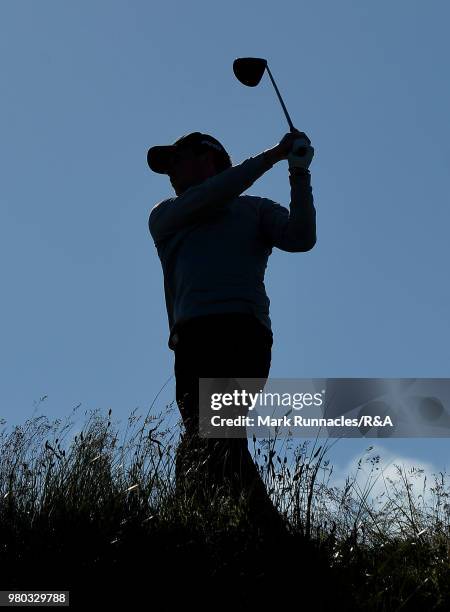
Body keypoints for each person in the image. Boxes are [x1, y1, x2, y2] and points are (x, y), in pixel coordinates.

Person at [147, 130, 316, 532]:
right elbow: (217, 193)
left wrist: (298, 174)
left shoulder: (255, 209)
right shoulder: (166, 214)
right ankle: (203, 528)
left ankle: (256, 536)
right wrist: (273, 154)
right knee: (203, 439)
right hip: (192, 339)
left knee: (215, 435)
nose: (170, 171)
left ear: (209, 159)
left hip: (244, 334)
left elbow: (301, 237)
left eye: (178, 159)